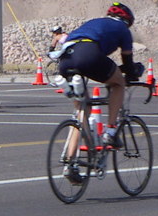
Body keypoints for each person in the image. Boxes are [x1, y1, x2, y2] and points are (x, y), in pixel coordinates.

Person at [58, 2, 141, 148]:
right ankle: (110, 132)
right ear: (127, 21)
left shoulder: (94, 22)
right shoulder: (123, 29)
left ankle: (71, 163)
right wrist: (132, 74)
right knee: (118, 83)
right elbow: (127, 61)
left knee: (82, 110)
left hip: (65, 57)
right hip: (88, 53)